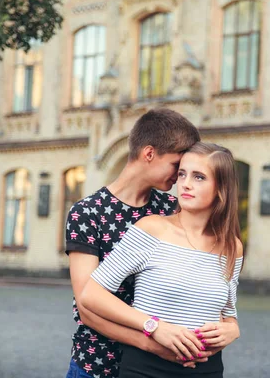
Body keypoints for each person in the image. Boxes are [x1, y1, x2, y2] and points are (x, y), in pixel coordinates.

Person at [79, 143, 244, 378]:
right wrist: (154, 326)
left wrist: (233, 330)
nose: (185, 183)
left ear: (221, 188)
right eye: (182, 174)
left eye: (199, 177)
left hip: (206, 370)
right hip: (146, 368)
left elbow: (229, 312)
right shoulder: (152, 229)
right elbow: (92, 295)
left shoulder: (232, 247)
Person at [65, 108, 202, 378]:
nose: (180, 177)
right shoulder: (87, 213)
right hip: (97, 365)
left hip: (156, 370)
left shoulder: (172, 209)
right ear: (149, 153)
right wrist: (152, 338)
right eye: (177, 166)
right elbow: (87, 307)